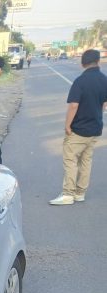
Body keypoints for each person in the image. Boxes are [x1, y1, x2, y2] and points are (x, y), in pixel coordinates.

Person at [49, 49, 107, 205]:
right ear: (98, 62)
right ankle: (80, 193)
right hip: (95, 128)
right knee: (86, 161)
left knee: (70, 160)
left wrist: (67, 125)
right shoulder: (104, 80)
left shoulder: (80, 81)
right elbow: (104, 104)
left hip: (79, 129)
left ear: (82, 63)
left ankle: (68, 193)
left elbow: (74, 105)